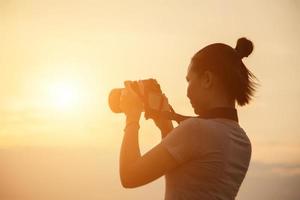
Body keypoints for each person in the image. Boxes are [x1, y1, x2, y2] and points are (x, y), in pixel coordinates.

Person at [119, 37, 257, 200]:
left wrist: (132, 115)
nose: (187, 92)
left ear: (207, 79)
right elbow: (189, 176)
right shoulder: (242, 140)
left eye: (189, 80)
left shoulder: (196, 130)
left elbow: (129, 176)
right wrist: (165, 127)